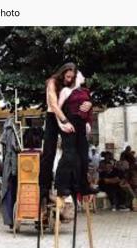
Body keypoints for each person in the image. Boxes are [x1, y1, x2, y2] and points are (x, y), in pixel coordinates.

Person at [39, 63, 92, 198]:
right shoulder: (52, 82)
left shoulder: (71, 84)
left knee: (72, 151)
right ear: (62, 73)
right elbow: (54, 106)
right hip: (54, 116)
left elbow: (79, 97)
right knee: (49, 153)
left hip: (66, 115)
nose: (69, 79)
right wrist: (63, 121)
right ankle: (44, 188)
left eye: (72, 77)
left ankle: (73, 185)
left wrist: (89, 104)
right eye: (68, 76)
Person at [54, 70, 98, 196]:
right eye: (79, 74)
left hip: (82, 123)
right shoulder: (66, 91)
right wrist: (61, 124)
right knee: (69, 154)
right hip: (70, 121)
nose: (82, 76)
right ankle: (61, 186)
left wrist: (88, 122)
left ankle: (83, 186)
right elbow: (57, 108)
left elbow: (89, 109)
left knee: (84, 156)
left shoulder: (85, 91)